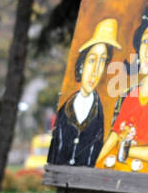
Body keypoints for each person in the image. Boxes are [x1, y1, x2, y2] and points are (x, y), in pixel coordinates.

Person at [97, 0, 148, 171]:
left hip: (143, 169)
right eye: (145, 41)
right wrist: (94, 160)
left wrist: (124, 150)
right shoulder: (130, 95)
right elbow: (114, 136)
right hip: (119, 163)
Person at [49, 17, 119, 167]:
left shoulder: (101, 115)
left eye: (102, 61)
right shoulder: (65, 110)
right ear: (82, 64)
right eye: (92, 60)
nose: (95, 71)